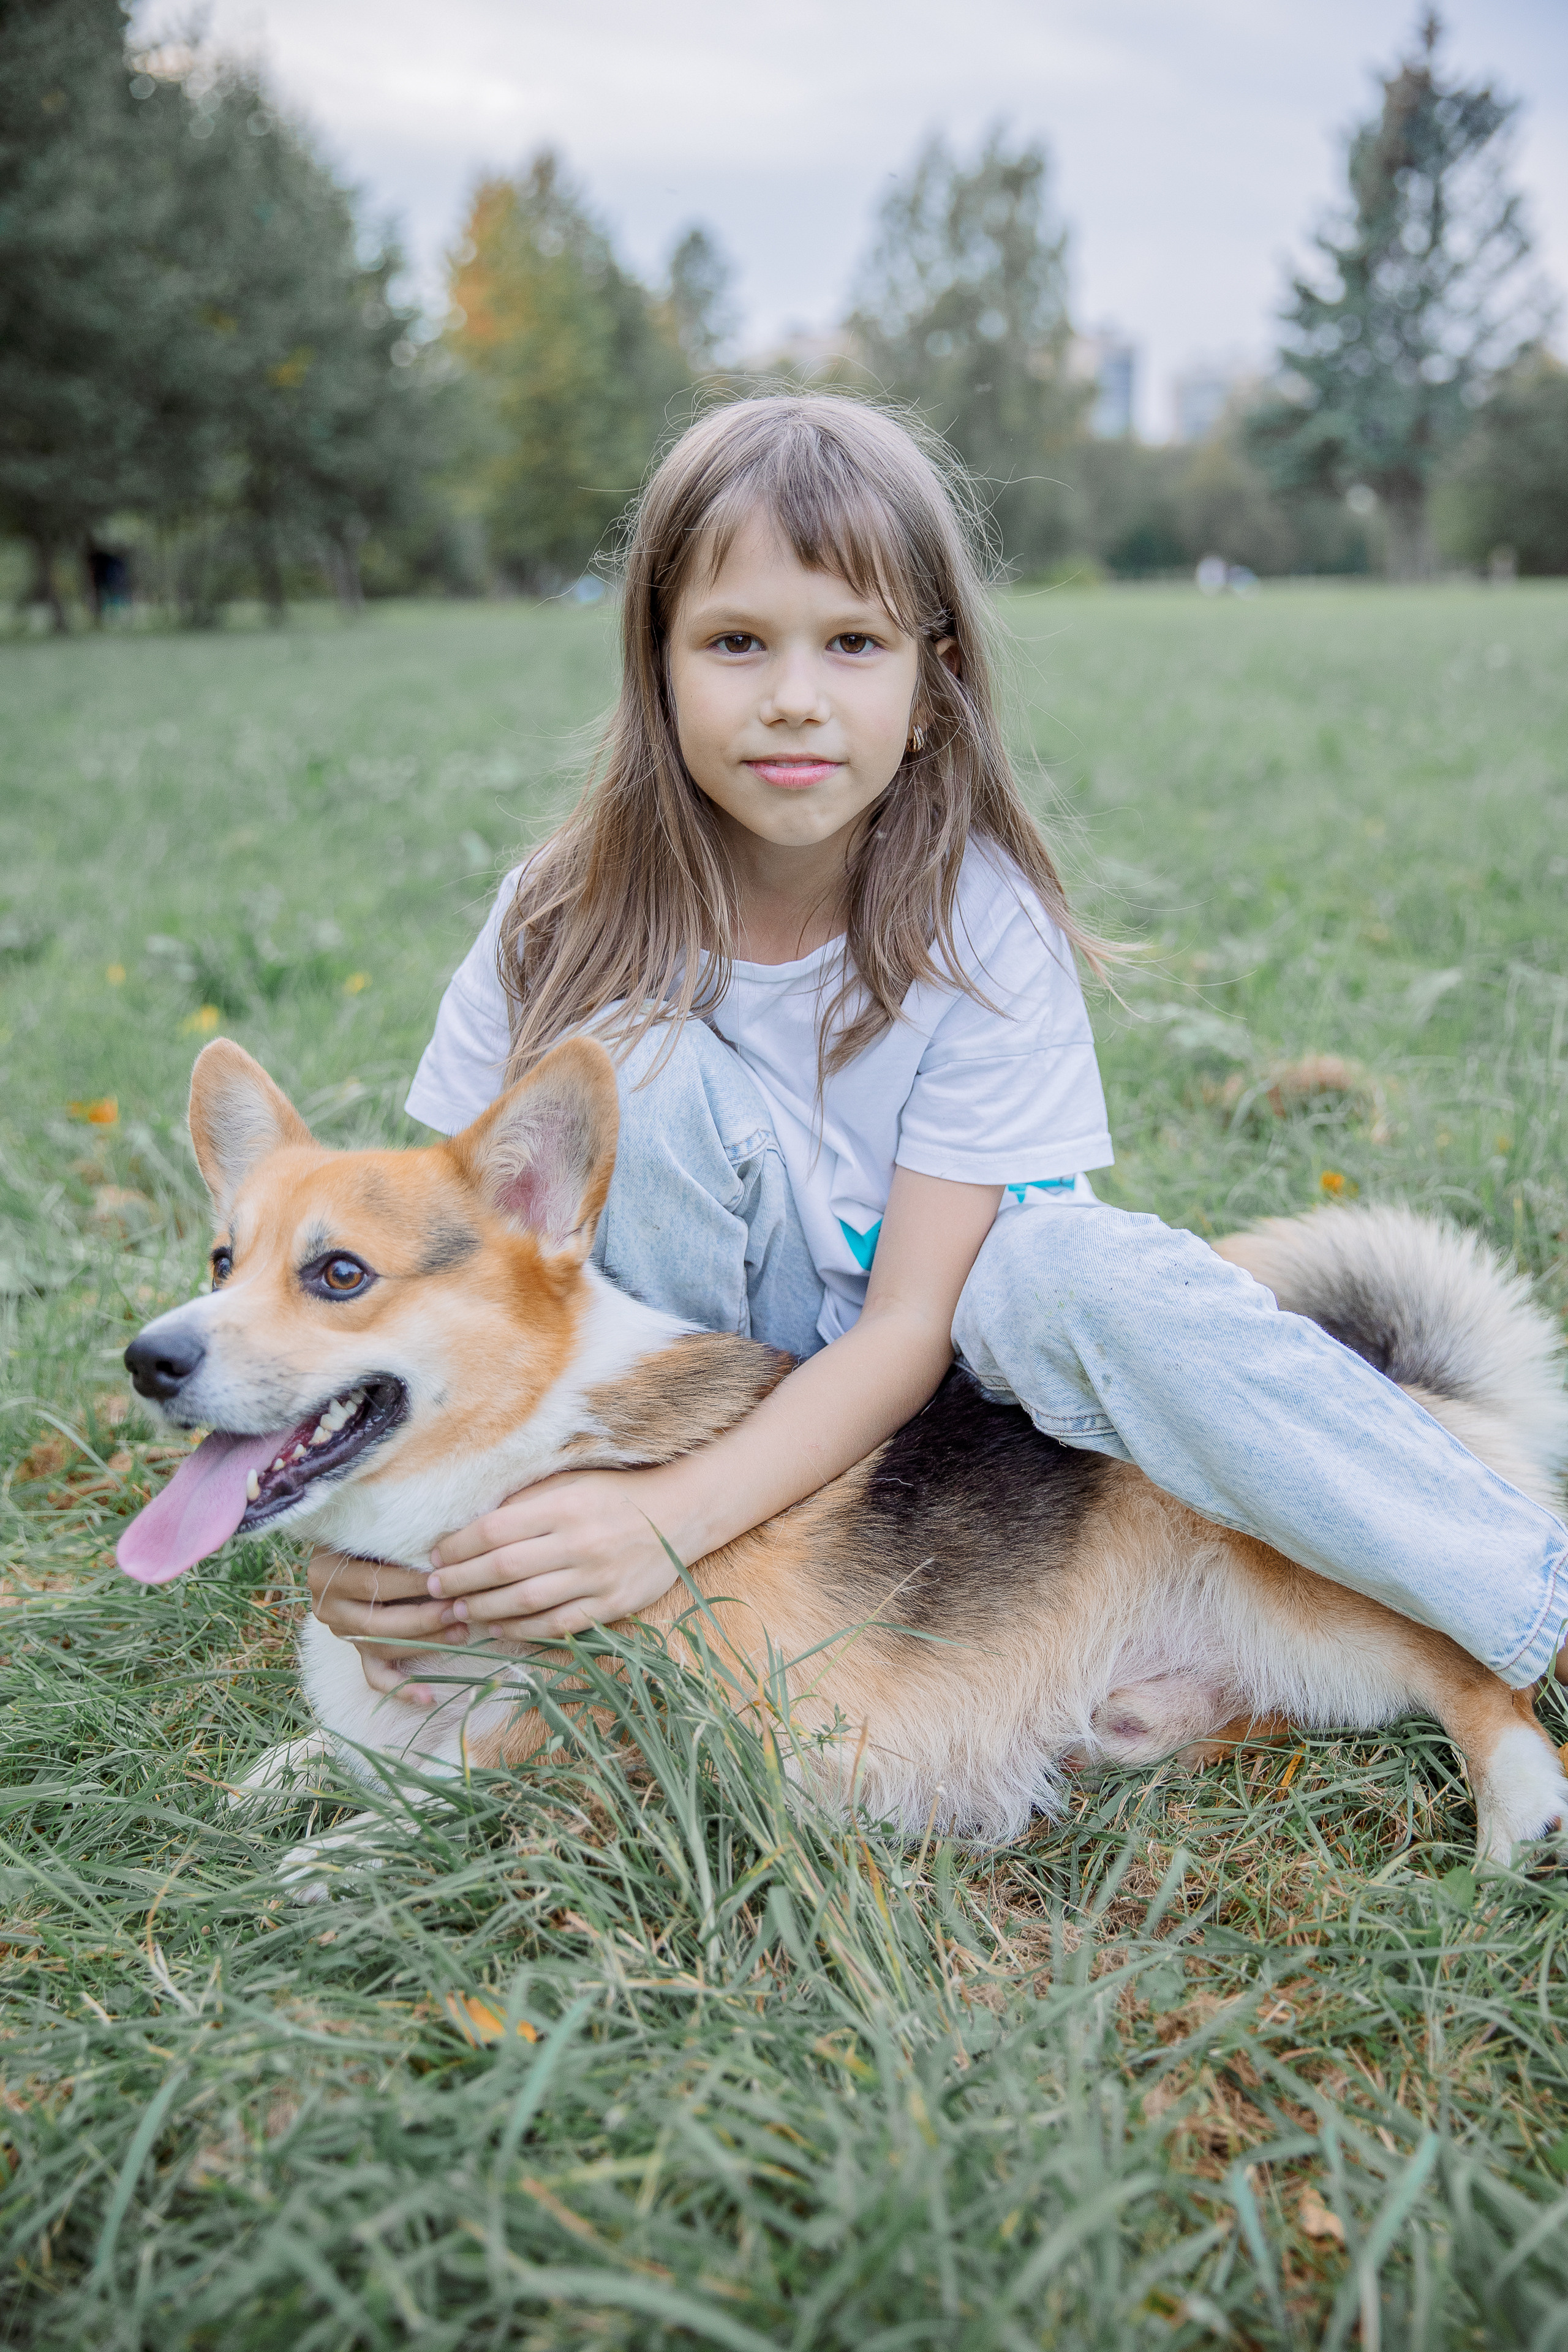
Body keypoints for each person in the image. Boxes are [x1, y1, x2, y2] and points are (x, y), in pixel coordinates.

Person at [307, 393, 1568, 1706]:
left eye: (853, 642)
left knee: (1065, 1269)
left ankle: (1528, 1591)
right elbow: (449, 1271)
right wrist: (370, 1531)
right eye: (735, 642)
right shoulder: (554, 917)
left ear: (930, 685)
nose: (794, 699)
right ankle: (643, 1608)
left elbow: (911, 1323)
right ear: (657, 666)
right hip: (664, 1410)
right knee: (628, 1065)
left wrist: (672, 1520)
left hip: (960, 1436)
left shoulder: (979, 927)